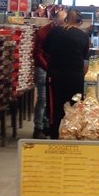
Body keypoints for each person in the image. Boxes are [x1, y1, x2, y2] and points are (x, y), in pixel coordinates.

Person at [44, 8, 90, 139]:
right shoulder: (83, 36)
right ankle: (72, 134)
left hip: (56, 75)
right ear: (79, 21)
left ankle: (54, 134)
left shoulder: (55, 32)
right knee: (74, 106)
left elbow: (45, 48)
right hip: (75, 77)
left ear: (65, 19)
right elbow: (84, 56)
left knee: (55, 106)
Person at [31, 9, 62, 139]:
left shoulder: (60, 32)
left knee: (50, 98)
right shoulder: (43, 32)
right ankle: (38, 128)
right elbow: (37, 53)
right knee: (43, 99)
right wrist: (48, 67)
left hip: (53, 68)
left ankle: (45, 125)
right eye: (62, 21)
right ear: (55, 20)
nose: (63, 24)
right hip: (43, 68)